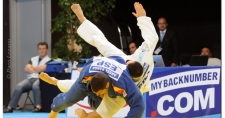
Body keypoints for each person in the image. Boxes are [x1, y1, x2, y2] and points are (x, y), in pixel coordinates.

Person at [42, 2, 158, 118]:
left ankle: (58, 84)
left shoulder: (126, 86)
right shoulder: (139, 57)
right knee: (101, 43)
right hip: (119, 61)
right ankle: (82, 18)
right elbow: (152, 38)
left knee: (102, 113)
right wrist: (142, 17)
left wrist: (86, 116)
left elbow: (138, 106)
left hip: (124, 89)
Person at [45, 55, 144, 118]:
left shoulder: (124, 82)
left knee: (101, 111)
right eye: (96, 92)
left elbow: (139, 105)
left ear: (107, 85)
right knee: (67, 100)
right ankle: (54, 109)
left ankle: (56, 82)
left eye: (100, 93)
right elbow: (90, 62)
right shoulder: (86, 74)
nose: (97, 94)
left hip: (114, 69)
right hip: (92, 69)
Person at [3, 42, 51, 113]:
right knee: (19, 86)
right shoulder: (33, 59)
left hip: (40, 79)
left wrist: (32, 67)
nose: (41, 50)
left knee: (35, 86)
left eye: (43, 49)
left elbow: (43, 69)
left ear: (47, 50)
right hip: (30, 79)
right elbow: (26, 69)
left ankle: (38, 106)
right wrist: (37, 69)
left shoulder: (49, 60)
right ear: (38, 50)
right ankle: (10, 107)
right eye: (40, 49)